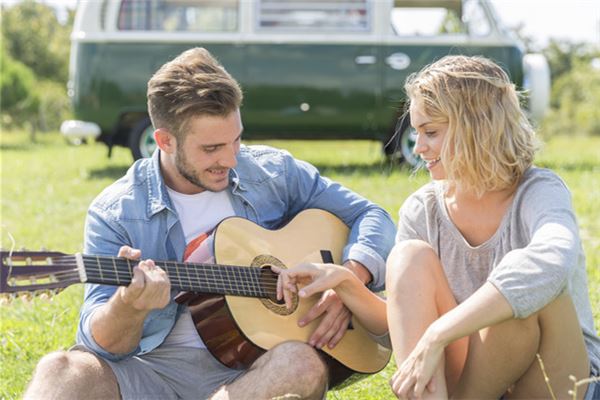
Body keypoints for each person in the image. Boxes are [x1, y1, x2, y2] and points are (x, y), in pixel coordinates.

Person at [24, 47, 396, 400]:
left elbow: (371, 215)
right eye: (211, 149)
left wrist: (348, 279)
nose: (231, 159)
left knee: (301, 365)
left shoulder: (271, 172)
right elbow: (101, 345)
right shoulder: (116, 210)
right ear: (164, 141)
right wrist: (130, 306)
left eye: (236, 140)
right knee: (61, 369)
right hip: (153, 370)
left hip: (251, 372)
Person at [277, 55, 600, 399]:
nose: (418, 147)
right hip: (477, 378)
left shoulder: (538, 191)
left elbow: (553, 259)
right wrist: (346, 282)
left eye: (431, 132)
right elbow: (401, 322)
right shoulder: (424, 208)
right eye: (417, 132)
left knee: (529, 295)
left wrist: (439, 334)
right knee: (407, 256)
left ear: (478, 127)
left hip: (557, 379)